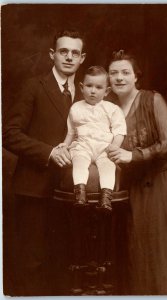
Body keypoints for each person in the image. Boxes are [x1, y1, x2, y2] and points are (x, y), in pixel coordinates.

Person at [3, 29, 86, 296]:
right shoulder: (34, 86)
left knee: (62, 261)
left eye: (75, 53)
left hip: (69, 190)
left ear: (82, 58)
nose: (69, 57)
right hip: (33, 189)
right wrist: (48, 152)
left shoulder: (88, 92)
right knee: (32, 261)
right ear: (52, 55)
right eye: (64, 51)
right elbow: (9, 134)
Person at [107, 50, 167, 295]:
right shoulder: (108, 109)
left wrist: (135, 155)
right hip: (130, 188)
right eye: (113, 73)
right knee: (137, 254)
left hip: (159, 184)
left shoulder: (152, 100)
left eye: (125, 72)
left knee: (163, 253)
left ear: (136, 77)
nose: (119, 78)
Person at [59, 66, 126, 212]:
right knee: (79, 163)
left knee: (108, 166)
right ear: (82, 87)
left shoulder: (112, 109)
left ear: (106, 91)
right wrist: (64, 144)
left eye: (98, 87)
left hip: (104, 147)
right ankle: (80, 194)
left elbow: (119, 131)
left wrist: (114, 147)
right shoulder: (76, 108)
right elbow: (71, 132)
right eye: (89, 86)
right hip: (83, 145)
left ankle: (106, 198)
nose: (93, 91)